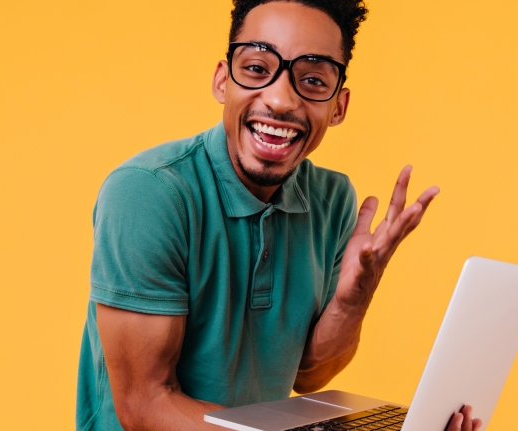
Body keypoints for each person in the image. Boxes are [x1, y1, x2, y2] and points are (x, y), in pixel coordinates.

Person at [76, 1, 483, 430]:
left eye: (311, 79)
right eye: (256, 68)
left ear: (339, 107)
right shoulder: (149, 193)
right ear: (221, 79)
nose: (280, 99)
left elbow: (311, 374)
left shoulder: (332, 199)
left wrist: (353, 298)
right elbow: (144, 405)